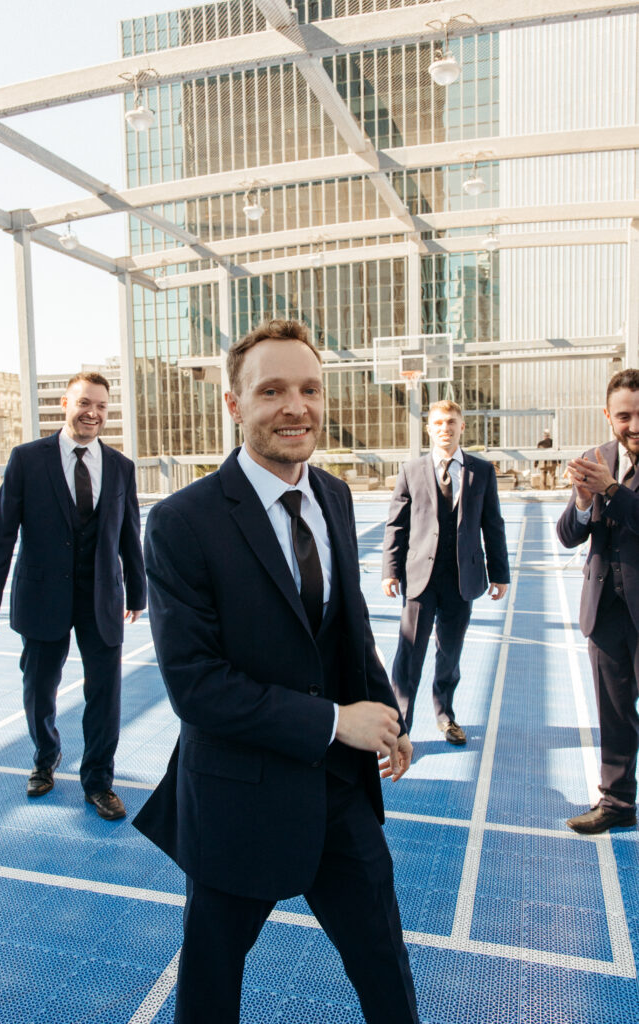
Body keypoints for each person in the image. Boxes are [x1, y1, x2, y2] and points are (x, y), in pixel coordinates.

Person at [133, 320, 419, 1024]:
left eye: (309, 389)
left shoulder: (334, 495)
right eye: (271, 391)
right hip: (239, 798)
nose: (296, 406)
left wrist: (382, 714)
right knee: (210, 984)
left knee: (384, 966)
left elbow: (347, 628)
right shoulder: (180, 522)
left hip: (340, 793)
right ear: (233, 405)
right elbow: (195, 686)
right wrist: (333, 722)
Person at [0, 372, 147, 820]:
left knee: (105, 695)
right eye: (85, 403)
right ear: (66, 404)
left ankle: (98, 782)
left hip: (101, 599)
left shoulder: (121, 466)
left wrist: (137, 594)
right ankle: (45, 758)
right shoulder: (27, 460)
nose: (93, 413)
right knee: (39, 691)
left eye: (102, 406)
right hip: (42, 598)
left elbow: (130, 536)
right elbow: (2, 533)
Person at [381, 400, 510, 743]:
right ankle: (399, 725)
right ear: (429, 428)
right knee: (410, 652)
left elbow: (492, 525)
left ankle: (445, 715)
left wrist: (500, 573)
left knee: (450, 653)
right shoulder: (411, 470)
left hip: (461, 579)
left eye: (451, 422)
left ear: (462, 426)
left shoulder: (482, 471)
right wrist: (390, 570)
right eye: (438, 423)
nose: (445, 428)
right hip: (419, 579)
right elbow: (397, 525)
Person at [557, 368, 639, 834]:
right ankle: (617, 804)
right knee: (614, 711)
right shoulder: (597, 458)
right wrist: (585, 499)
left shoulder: (610, 472)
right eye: (624, 415)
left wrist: (610, 489)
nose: (634, 425)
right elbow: (568, 535)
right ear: (608, 415)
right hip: (605, 609)